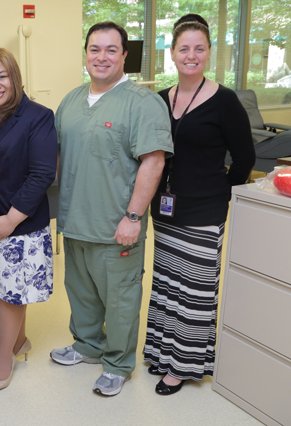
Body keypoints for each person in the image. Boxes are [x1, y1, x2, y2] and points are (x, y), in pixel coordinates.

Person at [50, 22, 173, 397]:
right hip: (75, 221)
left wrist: (134, 217)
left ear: (124, 55)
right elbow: (58, 157)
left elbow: (153, 161)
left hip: (116, 224)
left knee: (120, 298)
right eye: (94, 49)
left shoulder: (142, 102)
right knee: (81, 291)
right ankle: (88, 345)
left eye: (110, 49)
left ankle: (118, 363)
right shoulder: (71, 100)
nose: (101, 57)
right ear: (85, 53)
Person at [142, 14, 255, 396]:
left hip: (204, 212)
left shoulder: (225, 101)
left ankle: (183, 366)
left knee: (195, 292)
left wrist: (219, 192)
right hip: (166, 211)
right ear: (172, 54)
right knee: (167, 286)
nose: (191, 55)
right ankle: (162, 352)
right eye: (184, 48)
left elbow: (244, 157)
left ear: (209, 53)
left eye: (199, 48)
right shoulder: (160, 100)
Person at [0, 48, 57, 393]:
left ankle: (6, 356)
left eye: (2, 76)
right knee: (6, 288)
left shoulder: (38, 116)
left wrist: (11, 220)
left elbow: (41, 174)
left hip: (21, 224)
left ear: (14, 78)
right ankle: (19, 341)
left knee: (10, 295)